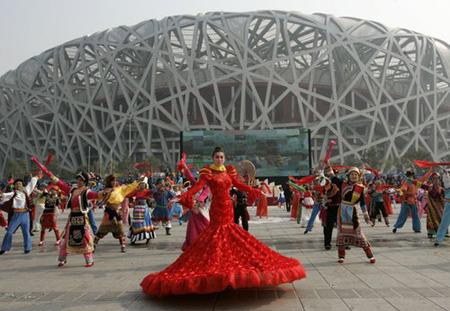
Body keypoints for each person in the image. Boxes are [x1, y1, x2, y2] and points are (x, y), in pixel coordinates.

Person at [141, 147, 306, 296]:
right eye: (217, 157)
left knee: (230, 235)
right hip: (217, 209)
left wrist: (253, 190)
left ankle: (231, 271)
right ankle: (220, 271)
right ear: (213, 158)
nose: (219, 159)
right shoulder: (208, 173)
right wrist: (185, 195)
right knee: (217, 236)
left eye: (221, 157)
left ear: (224, 158)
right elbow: (198, 187)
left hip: (228, 207)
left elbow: (239, 184)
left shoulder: (229, 171)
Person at [325, 161, 376, 264]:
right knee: (341, 233)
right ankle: (341, 256)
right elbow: (332, 177)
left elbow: (362, 203)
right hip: (342, 211)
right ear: (348, 176)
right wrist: (327, 165)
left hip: (352, 212)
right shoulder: (342, 183)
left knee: (359, 234)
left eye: (355, 174)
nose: (353, 176)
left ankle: (370, 255)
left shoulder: (360, 188)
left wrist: (366, 217)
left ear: (358, 176)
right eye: (352, 174)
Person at [51, 172, 102, 267]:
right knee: (66, 240)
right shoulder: (72, 190)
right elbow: (62, 186)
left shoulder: (86, 192)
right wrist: (54, 178)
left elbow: (95, 194)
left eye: (81, 180)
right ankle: (62, 259)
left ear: (85, 182)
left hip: (82, 218)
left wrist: (103, 193)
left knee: (85, 238)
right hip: (72, 219)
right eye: (78, 180)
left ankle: (89, 260)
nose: (79, 182)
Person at [94, 174, 141, 252]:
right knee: (102, 230)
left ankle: (123, 245)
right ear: (110, 182)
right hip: (108, 212)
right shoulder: (106, 190)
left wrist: (138, 181)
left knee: (120, 229)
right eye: (112, 181)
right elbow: (102, 199)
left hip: (117, 212)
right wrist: (107, 192)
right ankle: (94, 245)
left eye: (115, 181)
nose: (114, 182)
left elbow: (130, 187)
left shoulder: (120, 189)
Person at [0, 175, 40, 255]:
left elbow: (31, 184)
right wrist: (1, 194)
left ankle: (27, 248)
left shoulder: (26, 192)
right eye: (17, 184)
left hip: (25, 214)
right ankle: (4, 248)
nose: (19, 185)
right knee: (9, 232)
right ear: (15, 186)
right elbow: (4, 196)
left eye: (20, 184)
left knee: (26, 232)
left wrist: (36, 177)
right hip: (16, 215)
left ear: (22, 185)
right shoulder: (13, 193)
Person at [127, 178, 157, 244]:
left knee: (146, 222)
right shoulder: (136, 191)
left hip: (144, 209)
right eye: (140, 184)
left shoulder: (146, 191)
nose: (141, 186)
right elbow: (128, 195)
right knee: (136, 223)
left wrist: (157, 186)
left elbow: (152, 191)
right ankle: (134, 238)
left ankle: (148, 238)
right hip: (137, 209)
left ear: (145, 185)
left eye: (143, 184)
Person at [426, 172, 444, 239]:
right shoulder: (429, 187)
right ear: (432, 180)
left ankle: (443, 232)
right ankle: (430, 233)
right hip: (431, 208)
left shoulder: (441, 189)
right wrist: (413, 182)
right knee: (431, 220)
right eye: (434, 179)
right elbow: (420, 185)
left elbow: (445, 197)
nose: (436, 180)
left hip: (439, 207)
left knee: (442, 219)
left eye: (437, 179)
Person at [435, 170, 450, 246]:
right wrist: (446, 173)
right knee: (444, 222)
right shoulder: (447, 184)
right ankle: (438, 239)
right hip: (449, 205)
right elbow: (446, 180)